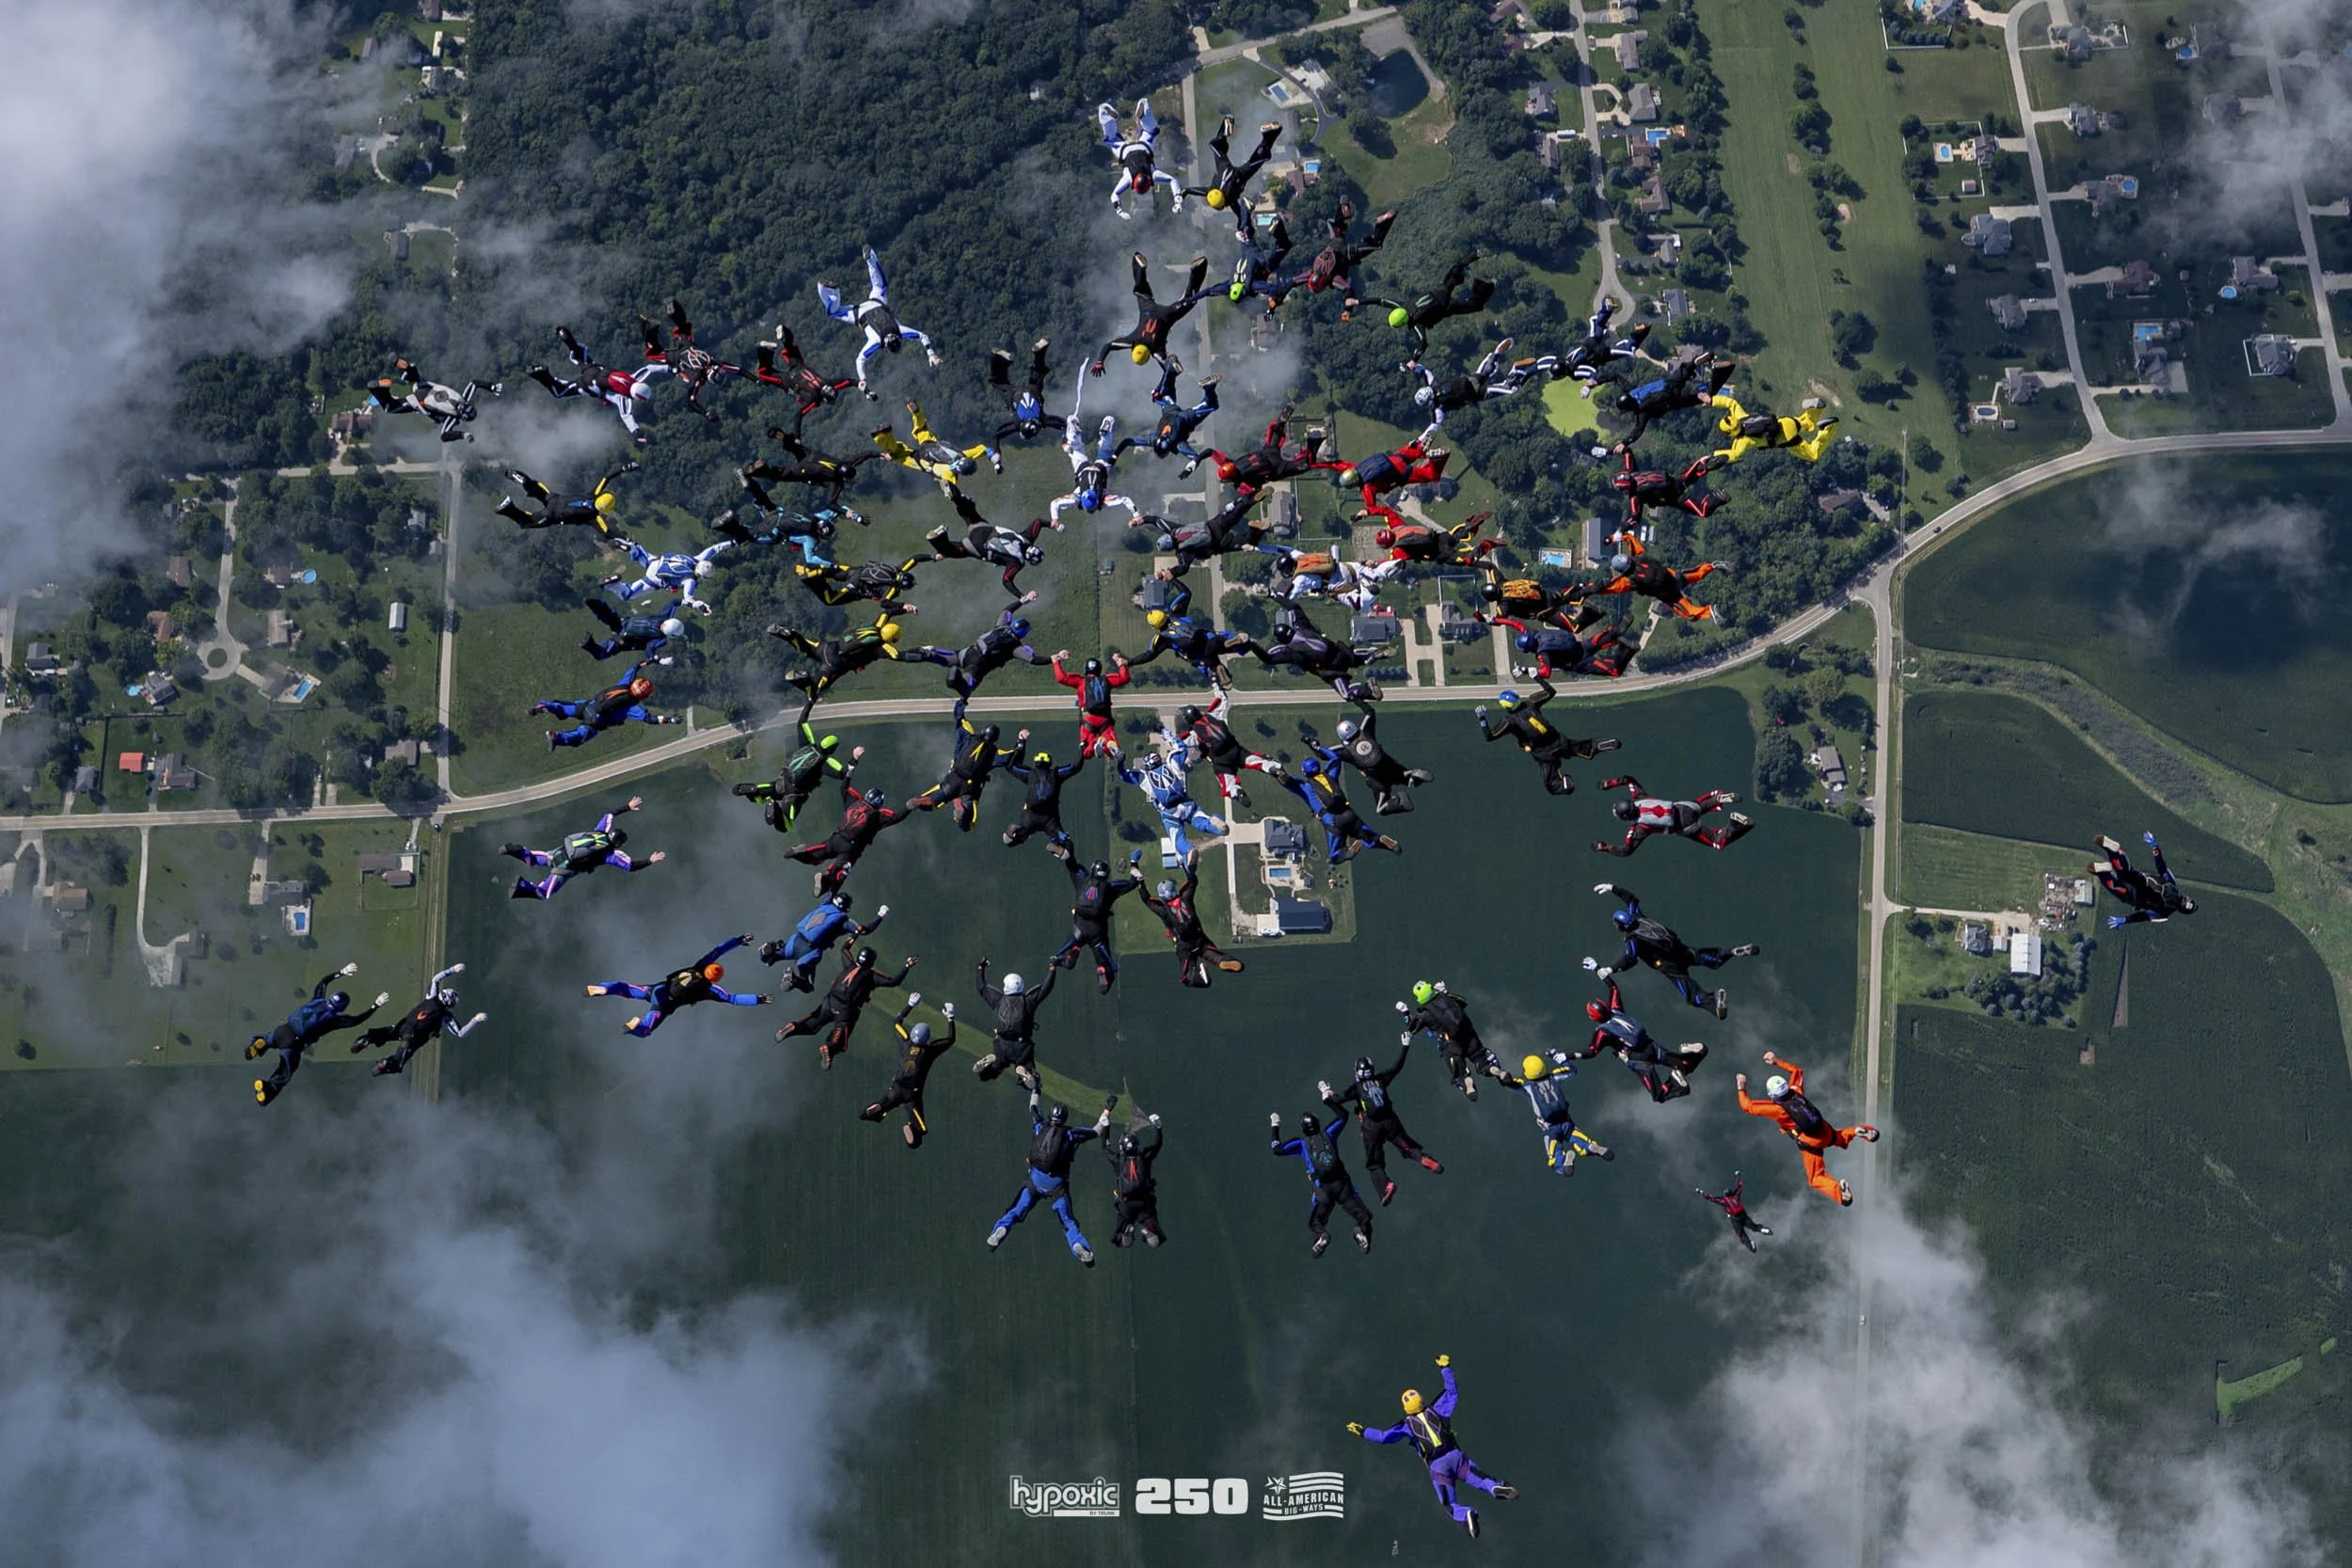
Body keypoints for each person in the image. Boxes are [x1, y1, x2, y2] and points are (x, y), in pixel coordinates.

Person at [1347, 1357, 1517, 1540]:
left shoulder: (1406, 1425)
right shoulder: (1438, 1409)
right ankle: (1495, 1487)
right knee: (1483, 1480)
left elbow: (1382, 1437)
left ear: (1406, 1409)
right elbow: (1452, 1392)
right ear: (1422, 1400)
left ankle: (1467, 1514)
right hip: (1456, 1456)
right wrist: (1445, 1367)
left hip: (1438, 1467)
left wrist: (1363, 1431)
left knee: (1450, 1505)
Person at [1590, 883, 1759, 1020]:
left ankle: (1715, 1003)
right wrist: (1613, 888)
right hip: (1680, 950)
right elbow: (1631, 900)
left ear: (1620, 926)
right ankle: (1731, 952)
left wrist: (1610, 969)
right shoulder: (1640, 917)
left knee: (1691, 994)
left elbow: (1631, 958)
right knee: (1707, 957)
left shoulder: (1633, 939)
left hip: (1669, 965)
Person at [1737, 1051, 1879, 1206]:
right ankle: (1858, 1131)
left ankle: (1841, 1193)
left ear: (1772, 1095)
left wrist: (1741, 1087)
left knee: (1816, 1178)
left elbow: (1747, 1106)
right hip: (1824, 1128)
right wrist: (1776, 1060)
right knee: (1840, 1138)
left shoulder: (1777, 1110)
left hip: (1811, 1142)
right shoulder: (1796, 1091)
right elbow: (1797, 1071)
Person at [246, 962, 388, 1105]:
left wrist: (341, 972)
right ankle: (267, 1089)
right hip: (294, 1043)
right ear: (342, 1008)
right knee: (285, 1072)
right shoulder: (333, 1020)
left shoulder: (318, 1000)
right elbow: (356, 1020)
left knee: (268, 1039)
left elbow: (323, 982)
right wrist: (375, 1005)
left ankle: (259, 1044)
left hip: (282, 1030)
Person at [1320, 1045, 1443, 1206]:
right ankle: (1422, 1158)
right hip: (1390, 1121)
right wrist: (1405, 1047)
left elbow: (1338, 1099)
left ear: (1357, 1072)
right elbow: (1396, 1067)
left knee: (1374, 1165)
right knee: (1408, 1148)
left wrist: (1326, 1093)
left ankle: (1386, 1186)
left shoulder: (1356, 1088)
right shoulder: (1380, 1079)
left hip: (1371, 1128)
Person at [815, 245, 942, 396]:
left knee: (880, 284)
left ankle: (870, 258)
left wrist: (931, 353)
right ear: (887, 346)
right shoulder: (877, 342)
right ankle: (832, 292)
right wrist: (863, 381)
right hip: (859, 314)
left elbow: (922, 336)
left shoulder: (899, 331)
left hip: (876, 302)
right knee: (833, 312)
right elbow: (859, 360)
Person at [989, 1092, 1098, 1265]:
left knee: (1015, 1211)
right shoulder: (1071, 1134)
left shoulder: (1041, 1126)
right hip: (1057, 1187)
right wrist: (1106, 1112)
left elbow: (1033, 1108)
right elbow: (1095, 1132)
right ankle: (1078, 1245)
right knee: (1069, 1224)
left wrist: (1036, 1089)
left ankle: (1001, 1229)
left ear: (1050, 1115)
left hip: (1034, 1182)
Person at [585, 935, 766, 1037]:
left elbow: (717, 950)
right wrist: (757, 999)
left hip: (657, 988)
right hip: (664, 1003)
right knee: (646, 1030)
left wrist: (738, 940)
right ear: (715, 979)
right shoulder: (708, 990)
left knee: (626, 989)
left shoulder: (699, 966)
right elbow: (732, 999)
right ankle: (637, 1024)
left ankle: (604, 988)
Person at [523, 325, 674, 443]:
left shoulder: (633, 378)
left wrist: (672, 369)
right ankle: (543, 374)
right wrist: (636, 432)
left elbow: (650, 369)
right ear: (639, 397)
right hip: (589, 384)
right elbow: (627, 416)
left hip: (597, 369)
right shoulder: (624, 399)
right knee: (560, 392)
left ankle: (564, 334)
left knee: (579, 355)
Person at [775, 942, 915, 1069]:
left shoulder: (849, 963)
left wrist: (854, 934)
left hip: (829, 1001)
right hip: (846, 1010)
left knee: (813, 1023)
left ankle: (793, 1027)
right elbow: (894, 982)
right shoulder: (872, 976)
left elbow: (844, 948)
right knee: (840, 1039)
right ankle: (829, 1048)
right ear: (872, 962)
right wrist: (907, 966)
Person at [1570, 976, 1708, 1102]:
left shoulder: (1603, 1031)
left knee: (1659, 1095)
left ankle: (1676, 1082)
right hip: (1650, 1046)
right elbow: (1613, 988)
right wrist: (1598, 969)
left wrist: (1566, 1055)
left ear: (1593, 1018)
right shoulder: (1617, 1011)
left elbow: (1591, 1051)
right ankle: (1697, 1051)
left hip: (1638, 1060)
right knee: (1685, 1065)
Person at [1474, 681, 1621, 797]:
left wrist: (1482, 720)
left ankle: (1565, 785)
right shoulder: (1531, 703)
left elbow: (1490, 736)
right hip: (1559, 741)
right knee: (1580, 748)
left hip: (1545, 754)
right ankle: (1597, 746)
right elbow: (1551, 692)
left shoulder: (1509, 721)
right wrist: (1535, 677)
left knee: (1551, 784)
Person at [501, 797, 665, 898]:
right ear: (618, 844)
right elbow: (631, 866)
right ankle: (522, 886)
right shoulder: (609, 854)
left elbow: (609, 814)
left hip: (560, 852)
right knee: (543, 893)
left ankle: (516, 850)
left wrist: (627, 807)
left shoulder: (600, 831)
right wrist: (650, 860)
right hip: (565, 869)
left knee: (534, 858)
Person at [1269, 1107, 1373, 1257]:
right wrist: (1327, 1097)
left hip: (1323, 1189)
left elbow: (1277, 1149)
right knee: (1364, 1215)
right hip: (1342, 1184)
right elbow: (1343, 1115)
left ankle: (1322, 1236)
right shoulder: (1329, 1133)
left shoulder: (1301, 1144)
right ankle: (1360, 1229)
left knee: (1316, 1222)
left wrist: (1275, 1125)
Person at [351, 963, 486, 1078]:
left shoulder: (431, 997)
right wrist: (476, 1019)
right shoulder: (445, 1017)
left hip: (402, 1026)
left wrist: (452, 970)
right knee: (397, 1063)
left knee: (383, 1034)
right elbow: (461, 1033)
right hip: (412, 1038)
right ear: (450, 1004)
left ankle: (366, 1040)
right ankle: (384, 1064)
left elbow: (435, 980)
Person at [1586, 347, 1734, 451]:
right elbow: (1616, 376)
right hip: (1669, 382)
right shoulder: (1631, 391)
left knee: (1708, 394)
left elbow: (1638, 430)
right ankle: (1694, 363)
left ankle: (1718, 370)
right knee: (1685, 369)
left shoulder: (1641, 411)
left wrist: (1624, 443)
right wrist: (1597, 381)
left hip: (1675, 398)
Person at [731, 720, 863, 834]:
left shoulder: (807, 744)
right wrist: (855, 758)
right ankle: (775, 811)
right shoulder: (824, 763)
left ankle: (756, 790)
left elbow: (802, 722)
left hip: (784, 779)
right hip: (796, 794)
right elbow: (843, 773)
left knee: (767, 792)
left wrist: (810, 701)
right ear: (832, 750)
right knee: (785, 825)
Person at [783, 779, 914, 894]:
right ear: (879, 803)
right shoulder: (877, 815)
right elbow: (896, 817)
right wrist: (909, 807)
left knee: (815, 857)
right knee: (839, 872)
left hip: (836, 838)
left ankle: (798, 853)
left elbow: (844, 787)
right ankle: (824, 881)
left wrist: (851, 768)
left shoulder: (854, 802)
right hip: (850, 848)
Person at [1091, 253, 1212, 375]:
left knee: (1189, 300)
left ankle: (1198, 269)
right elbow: (1108, 346)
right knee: (1141, 292)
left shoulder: (1156, 351)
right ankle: (1139, 267)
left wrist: (1174, 372)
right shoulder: (1131, 341)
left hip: (1167, 315)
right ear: (1133, 349)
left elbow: (1167, 370)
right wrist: (1100, 362)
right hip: (1147, 309)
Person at [860, 995, 956, 1148]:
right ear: (927, 1038)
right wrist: (950, 1018)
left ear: (912, 1034)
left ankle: (878, 1110)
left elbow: (896, 1023)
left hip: (896, 1088)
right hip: (912, 1095)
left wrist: (910, 1005)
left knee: (885, 1104)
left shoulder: (906, 1043)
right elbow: (950, 1039)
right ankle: (910, 1126)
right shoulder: (929, 1051)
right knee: (921, 1131)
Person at [1141, 849, 1245, 989]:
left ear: (1162, 896)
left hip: (1184, 947)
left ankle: (1203, 978)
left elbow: (1147, 900)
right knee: (1214, 956)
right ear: (1174, 890)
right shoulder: (1185, 898)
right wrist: (1186, 866)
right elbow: (1192, 881)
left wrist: (1139, 882)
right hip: (1200, 939)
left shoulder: (1163, 910)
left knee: (1187, 978)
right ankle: (1222, 962)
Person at [1277, 751, 1402, 864]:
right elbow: (1335, 757)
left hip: (1333, 821)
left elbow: (1288, 781)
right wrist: (1319, 747)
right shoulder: (1330, 776)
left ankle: (1347, 852)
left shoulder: (1305, 786)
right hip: (1349, 814)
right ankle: (1386, 842)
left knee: (1334, 856)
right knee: (1369, 838)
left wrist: (1278, 773)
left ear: (1305, 772)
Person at [1048, 844, 1145, 992]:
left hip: (1078, 929)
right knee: (1106, 972)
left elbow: (1071, 864)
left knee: (1068, 961)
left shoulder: (1082, 880)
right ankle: (1102, 969)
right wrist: (1133, 861)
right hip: (1097, 933)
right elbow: (1133, 882)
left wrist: (1068, 845)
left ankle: (1071, 953)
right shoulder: (1111, 887)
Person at [1395, 980, 1515, 1099]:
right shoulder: (1447, 998)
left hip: (1451, 1046)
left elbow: (1412, 1028)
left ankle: (1467, 1082)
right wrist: (1445, 992)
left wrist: (1405, 1012)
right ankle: (1498, 1072)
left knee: (1460, 1074)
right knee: (1483, 1062)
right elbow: (1463, 1002)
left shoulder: (1426, 1015)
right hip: (1469, 1036)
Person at [1404, 339, 1559, 429]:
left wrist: (1420, 440)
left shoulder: (1439, 408)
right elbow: (1424, 370)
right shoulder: (1433, 384)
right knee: (1485, 372)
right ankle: (1495, 355)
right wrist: (1411, 366)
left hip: (1479, 394)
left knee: (1511, 389)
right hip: (1471, 380)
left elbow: (1434, 426)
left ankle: (1515, 369)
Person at [1255, 601, 1390, 705]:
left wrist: (1251, 645)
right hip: (1340, 653)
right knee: (1352, 656)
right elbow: (1294, 607)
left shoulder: (1291, 651)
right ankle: (1371, 654)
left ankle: (1368, 690)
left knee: (1346, 693)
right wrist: (1273, 595)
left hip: (1332, 671)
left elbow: (1268, 659)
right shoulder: (1301, 626)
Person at [770, 611, 908, 712]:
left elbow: (886, 613)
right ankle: (803, 678)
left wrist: (904, 608)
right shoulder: (881, 647)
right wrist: (925, 653)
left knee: (806, 646)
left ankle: (790, 634)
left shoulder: (875, 627)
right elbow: (898, 656)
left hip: (829, 647)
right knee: (818, 687)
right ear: (891, 639)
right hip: (834, 663)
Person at [1271, 202, 1395, 314]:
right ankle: (1342, 206)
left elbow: (1347, 289)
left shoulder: (1333, 279)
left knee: (1376, 245)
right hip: (1334, 242)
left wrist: (1348, 305)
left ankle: (1381, 223)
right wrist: (1276, 301)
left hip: (1348, 254)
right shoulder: (1312, 273)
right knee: (1334, 224)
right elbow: (1291, 283)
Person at [1047, 376, 1137, 526]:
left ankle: (1105, 433)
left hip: (1101, 469)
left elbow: (1125, 500)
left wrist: (1136, 514)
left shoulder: (1103, 499)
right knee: (1074, 447)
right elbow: (1054, 504)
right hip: (1081, 467)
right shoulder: (1077, 496)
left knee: (1105, 449)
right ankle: (1074, 431)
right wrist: (1055, 519)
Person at [636, 297, 745, 420]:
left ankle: (671, 310)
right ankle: (651, 328)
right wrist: (706, 414)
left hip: (688, 347)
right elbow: (691, 401)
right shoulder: (699, 380)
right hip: (676, 359)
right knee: (653, 354)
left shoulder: (712, 362)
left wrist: (755, 379)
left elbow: (738, 369)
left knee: (683, 327)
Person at [1367, 251, 1497, 354]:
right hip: (1439, 292)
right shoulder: (1404, 304)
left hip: (1446, 306)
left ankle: (1485, 284)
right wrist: (1358, 302)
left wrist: (1412, 361)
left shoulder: (1416, 324)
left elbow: (1422, 343)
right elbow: (1381, 301)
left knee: (1476, 306)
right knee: (1453, 273)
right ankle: (1473, 255)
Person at [913, 719, 1029, 832]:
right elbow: (1013, 757)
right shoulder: (993, 753)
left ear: (984, 731)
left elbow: (960, 719)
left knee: (932, 800)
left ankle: (928, 801)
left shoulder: (969, 739)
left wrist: (962, 701)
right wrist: (1021, 741)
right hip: (969, 789)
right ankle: (958, 804)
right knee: (967, 825)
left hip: (952, 779)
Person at [759, 891, 887, 994]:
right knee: (808, 986)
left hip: (795, 941)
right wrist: (881, 915)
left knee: (773, 957)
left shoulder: (825, 904)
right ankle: (794, 979)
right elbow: (864, 930)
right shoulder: (843, 921)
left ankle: (771, 951)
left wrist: (843, 871)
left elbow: (832, 888)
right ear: (846, 908)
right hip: (809, 952)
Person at [532, 664, 684, 750]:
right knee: (578, 738)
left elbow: (633, 669)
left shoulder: (624, 684)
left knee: (563, 709)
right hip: (596, 721)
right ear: (643, 696)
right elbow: (650, 719)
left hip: (587, 705)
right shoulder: (631, 706)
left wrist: (649, 661)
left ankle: (544, 705)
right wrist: (670, 720)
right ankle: (556, 737)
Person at [1593, 775, 1754, 857]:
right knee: (1702, 805)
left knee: (1717, 841)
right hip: (1684, 807)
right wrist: (1610, 784)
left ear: (1626, 818)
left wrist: (1606, 848)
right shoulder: (1640, 797)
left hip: (1685, 826)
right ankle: (1717, 799)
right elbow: (1629, 779)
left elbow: (1626, 850)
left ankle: (1733, 823)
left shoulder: (1640, 829)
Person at [1171, 692, 1284, 808]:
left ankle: (1236, 791)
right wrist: (1216, 684)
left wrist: (1169, 737)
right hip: (1236, 750)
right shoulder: (1213, 715)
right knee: (1254, 760)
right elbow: (1222, 700)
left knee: (1227, 782)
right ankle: (1272, 768)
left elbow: (1180, 744)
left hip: (1221, 760)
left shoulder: (1193, 734)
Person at [1119, 739, 1227, 858]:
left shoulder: (1144, 777)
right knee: (1202, 822)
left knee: (1178, 840)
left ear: (1147, 766)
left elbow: (1123, 775)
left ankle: (1189, 851)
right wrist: (1167, 734)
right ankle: (1216, 825)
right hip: (1187, 803)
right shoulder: (1171, 761)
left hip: (1169, 813)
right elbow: (1182, 748)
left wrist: (1120, 762)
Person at [870, 399, 1000, 496]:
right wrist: (955, 495)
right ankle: (880, 436)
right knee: (896, 453)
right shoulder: (950, 473)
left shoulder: (965, 455)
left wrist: (994, 459)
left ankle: (916, 412)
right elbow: (952, 492)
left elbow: (983, 449)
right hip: (921, 460)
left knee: (921, 429)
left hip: (932, 445)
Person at [1313, 711, 1431, 816]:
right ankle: (1412, 775)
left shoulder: (1346, 751)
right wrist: (1358, 699)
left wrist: (1313, 745)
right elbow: (1370, 713)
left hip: (1377, 780)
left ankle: (1402, 804)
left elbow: (1324, 755)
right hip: (1390, 766)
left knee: (1381, 809)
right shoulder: (1366, 732)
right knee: (1407, 779)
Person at [1184, 115, 1282, 242]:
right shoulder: (1211, 190)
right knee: (1215, 145)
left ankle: (1268, 136)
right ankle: (1225, 127)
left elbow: (1240, 216)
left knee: (1261, 157)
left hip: (1241, 175)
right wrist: (1183, 193)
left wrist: (1240, 229)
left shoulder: (1229, 200)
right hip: (1224, 168)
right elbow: (1193, 190)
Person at [1582, 532, 1720, 622]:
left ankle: (1709, 611)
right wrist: (1610, 539)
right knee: (1698, 574)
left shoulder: (1630, 581)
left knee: (1689, 613)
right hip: (1674, 577)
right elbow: (1630, 538)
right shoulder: (1639, 555)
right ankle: (1712, 566)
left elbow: (1611, 588)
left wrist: (1588, 589)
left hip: (1669, 595)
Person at [923, 511, 1055, 605]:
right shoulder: (1017, 562)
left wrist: (1053, 524)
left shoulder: (1027, 538)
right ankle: (938, 539)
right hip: (979, 547)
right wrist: (1022, 596)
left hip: (985, 530)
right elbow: (1007, 580)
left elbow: (1038, 522)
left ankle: (955, 493)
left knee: (968, 511)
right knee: (954, 551)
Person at [749, 323, 857, 436]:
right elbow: (798, 414)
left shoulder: (827, 383)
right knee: (765, 373)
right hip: (789, 382)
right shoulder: (813, 399)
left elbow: (846, 381)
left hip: (799, 367)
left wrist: (859, 384)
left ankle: (783, 334)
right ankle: (762, 348)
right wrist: (797, 437)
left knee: (790, 348)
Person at [1204, 407, 1338, 499]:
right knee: (1274, 438)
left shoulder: (1239, 483)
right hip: (1266, 453)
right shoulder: (1231, 463)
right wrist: (1197, 459)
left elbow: (1251, 493)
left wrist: (1253, 498)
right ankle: (1281, 421)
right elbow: (1212, 453)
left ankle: (1313, 442)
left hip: (1275, 468)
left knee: (1305, 464)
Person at [1515, 1049, 1612, 1174]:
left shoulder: (1527, 1086)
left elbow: (1508, 1082)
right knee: (1581, 1141)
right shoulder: (1554, 1077)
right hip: (1566, 1122)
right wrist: (1557, 1056)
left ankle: (1563, 1164)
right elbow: (1571, 1070)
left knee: (1555, 1159)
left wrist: (1497, 1071)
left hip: (1549, 1128)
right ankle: (1591, 1147)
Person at [1114, 364, 1220, 474]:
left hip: (1187, 418)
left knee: (1211, 405)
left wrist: (1188, 469)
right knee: (1162, 396)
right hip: (1170, 411)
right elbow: (1128, 441)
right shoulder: (1153, 438)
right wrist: (1114, 456)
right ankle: (1170, 370)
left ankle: (1208, 388)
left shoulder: (1177, 445)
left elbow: (1195, 457)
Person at [1129, 601, 1262, 689]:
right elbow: (1186, 593)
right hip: (1210, 639)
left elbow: (1148, 655)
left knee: (1212, 664)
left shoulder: (1163, 638)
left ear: (1154, 626)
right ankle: (1231, 644)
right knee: (1222, 641)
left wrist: (1129, 662)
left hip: (1201, 655)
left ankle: (1220, 670)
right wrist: (1172, 576)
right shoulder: (1178, 616)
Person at [739, 432, 884, 512]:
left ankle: (781, 435)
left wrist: (881, 455)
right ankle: (750, 472)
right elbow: (830, 504)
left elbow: (865, 454)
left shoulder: (845, 462)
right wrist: (847, 512)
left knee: (794, 446)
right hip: (805, 471)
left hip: (811, 455)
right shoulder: (837, 482)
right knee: (780, 474)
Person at [365, 356, 493, 441]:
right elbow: (444, 436)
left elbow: (474, 383)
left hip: (425, 385)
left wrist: (491, 386)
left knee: (414, 374)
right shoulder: (452, 418)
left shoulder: (463, 398)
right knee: (390, 408)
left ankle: (408, 368)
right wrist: (463, 435)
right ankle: (379, 389)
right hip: (417, 400)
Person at [972, 959, 1055, 1089]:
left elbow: (981, 987)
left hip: (1001, 1043)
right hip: (1022, 1045)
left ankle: (993, 1060)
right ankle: (1022, 1069)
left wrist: (980, 968)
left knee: (991, 1071)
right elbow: (1046, 988)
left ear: (1005, 987)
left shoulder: (998, 1000)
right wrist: (1052, 969)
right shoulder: (1029, 1001)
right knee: (1029, 1073)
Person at [601, 535, 733, 615]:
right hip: (655, 579)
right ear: (704, 577)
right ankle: (614, 583)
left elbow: (716, 548)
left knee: (640, 554)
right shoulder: (690, 580)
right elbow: (689, 597)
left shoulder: (697, 559)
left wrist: (735, 542)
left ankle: (632, 547)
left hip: (657, 562)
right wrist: (701, 606)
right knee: (627, 594)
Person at [1491, 610, 1636, 681]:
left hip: (1580, 663)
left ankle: (1626, 649)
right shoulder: (1535, 633)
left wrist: (1525, 670)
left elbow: (1545, 673)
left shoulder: (1543, 654)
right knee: (1602, 639)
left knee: (1615, 671)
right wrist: (1495, 620)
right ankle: (1618, 627)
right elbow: (1515, 624)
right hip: (1581, 646)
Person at [1097, 97, 1183, 219]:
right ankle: (1105, 112)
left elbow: (1173, 180)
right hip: (1124, 151)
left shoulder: (1152, 175)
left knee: (1150, 129)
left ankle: (1143, 105)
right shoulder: (1128, 180)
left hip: (1144, 146)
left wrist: (1177, 199)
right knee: (1111, 138)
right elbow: (1114, 195)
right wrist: (1119, 211)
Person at [496, 462, 640, 533]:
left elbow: (607, 477)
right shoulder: (594, 518)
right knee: (526, 522)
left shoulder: (594, 494)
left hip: (554, 499)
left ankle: (519, 478)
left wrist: (625, 468)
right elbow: (606, 532)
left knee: (536, 487)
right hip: (552, 515)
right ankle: (508, 508)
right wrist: (624, 540)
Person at [1707, 390, 1838, 467]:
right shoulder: (1742, 417)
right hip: (1784, 422)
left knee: (1813, 454)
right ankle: (1815, 407)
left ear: (1729, 433)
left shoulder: (1742, 441)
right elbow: (1731, 403)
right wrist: (1711, 400)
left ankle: (1826, 428)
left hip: (1786, 438)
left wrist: (1714, 455)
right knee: (1807, 423)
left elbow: (1735, 455)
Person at [1341, 436, 1449, 529]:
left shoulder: (1366, 488)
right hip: (1395, 457)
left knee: (1432, 476)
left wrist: (1360, 515)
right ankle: (1419, 445)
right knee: (1416, 453)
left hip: (1400, 473)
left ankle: (1435, 458)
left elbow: (1371, 508)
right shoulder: (1361, 466)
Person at [2093, 832, 2197, 927]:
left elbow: (2161, 867)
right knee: (2113, 885)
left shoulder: (2172, 883)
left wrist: (2155, 847)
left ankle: (2115, 853)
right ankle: (2102, 872)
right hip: (2132, 896)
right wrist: (2125, 920)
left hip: (2141, 879)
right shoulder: (2164, 913)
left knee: (2125, 872)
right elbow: (2143, 916)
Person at [1100, 1102, 1167, 1247]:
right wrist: (1158, 1127)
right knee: (1152, 1224)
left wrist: (1106, 1126)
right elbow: (1157, 1145)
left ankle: (1126, 1229)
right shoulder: (1144, 1157)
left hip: (1126, 1203)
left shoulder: (1118, 1160)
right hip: (1145, 1202)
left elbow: (1105, 1148)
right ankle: (1148, 1228)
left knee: (1121, 1229)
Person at [1612, 449, 1719, 532]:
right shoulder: (1631, 471)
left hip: (1674, 498)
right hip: (1673, 480)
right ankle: (1704, 463)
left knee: (1702, 511)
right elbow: (1627, 451)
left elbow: (1635, 517)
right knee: (1692, 475)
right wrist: (1610, 451)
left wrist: (1623, 528)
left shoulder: (1635, 496)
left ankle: (1718, 497)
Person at [1051, 648, 1132, 759]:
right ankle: (1110, 746)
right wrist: (1121, 663)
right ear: (1099, 669)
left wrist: (1057, 662)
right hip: (1105, 718)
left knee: (1086, 753)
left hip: (1088, 719)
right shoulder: (1106, 680)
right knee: (1111, 749)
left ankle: (1095, 744)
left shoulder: (1080, 681)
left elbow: (1061, 678)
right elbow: (1124, 678)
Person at [1001, 748, 1088, 851]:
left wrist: (1020, 745)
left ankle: (1013, 834)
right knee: (1066, 843)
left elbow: (1011, 767)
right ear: (1049, 762)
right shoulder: (1056, 774)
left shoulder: (1029, 774)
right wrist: (1082, 750)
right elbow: (1075, 767)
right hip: (1050, 818)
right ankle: (1055, 841)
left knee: (1014, 841)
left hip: (1030, 817)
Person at [1554, 296, 1650, 386]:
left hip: (1598, 354)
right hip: (1589, 342)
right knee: (1599, 324)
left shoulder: (1574, 372)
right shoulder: (1567, 356)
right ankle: (1607, 307)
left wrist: (1590, 382)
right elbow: (1572, 348)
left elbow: (1592, 372)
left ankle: (1640, 330)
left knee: (1628, 348)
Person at [791, 552, 924, 616]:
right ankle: (812, 579)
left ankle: (805, 570)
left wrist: (934, 557)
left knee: (830, 572)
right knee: (830, 600)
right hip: (856, 588)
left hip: (854, 571)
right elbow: (885, 603)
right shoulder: (891, 589)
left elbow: (915, 559)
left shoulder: (898, 569)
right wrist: (904, 606)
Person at [987, 338, 1063, 445]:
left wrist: (1067, 430)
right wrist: (997, 453)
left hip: (1033, 391)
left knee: (1038, 372)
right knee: (997, 381)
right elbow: (997, 435)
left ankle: (1039, 352)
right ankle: (996, 357)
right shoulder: (1017, 424)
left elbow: (1058, 422)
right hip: (1014, 394)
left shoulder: (1042, 420)